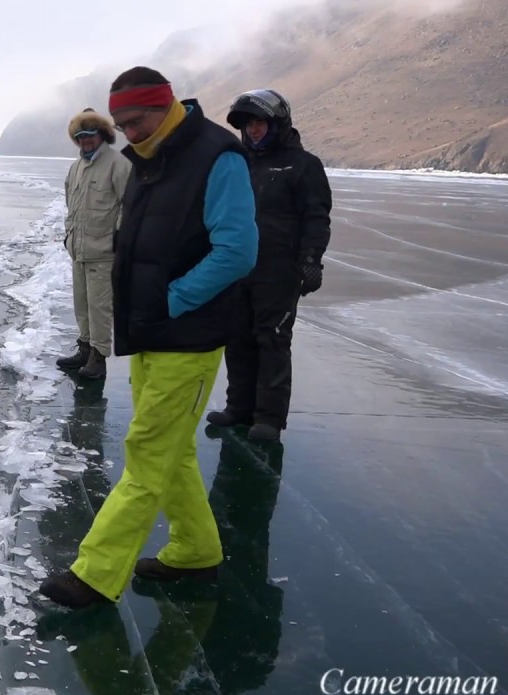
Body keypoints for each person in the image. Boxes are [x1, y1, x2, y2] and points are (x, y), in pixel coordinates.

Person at [38, 66, 259, 608]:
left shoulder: (217, 156)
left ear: (164, 107)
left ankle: (94, 574)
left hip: (190, 334)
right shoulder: (148, 158)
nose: (128, 133)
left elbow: (238, 250)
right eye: (122, 124)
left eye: (135, 122)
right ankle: (196, 551)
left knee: (147, 452)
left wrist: (172, 299)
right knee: (174, 451)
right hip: (151, 330)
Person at [207, 89, 333, 442]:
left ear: (277, 123)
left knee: (273, 340)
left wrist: (311, 261)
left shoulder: (304, 165)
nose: (254, 130)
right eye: (248, 125)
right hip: (237, 268)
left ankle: (269, 418)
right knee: (237, 338)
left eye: (260, 122)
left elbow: (316, 217)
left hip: (278, 270)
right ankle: (239, 408)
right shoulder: (238, 163)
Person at [56, 107, 132, 380]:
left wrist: (118, 236)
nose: (85, 140)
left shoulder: (118, 163)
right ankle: (85, 348)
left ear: (102, 135)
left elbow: (129, 204)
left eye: (90, 134)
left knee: (99, 307)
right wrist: (69, 235)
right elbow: (70, 205)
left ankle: (99, 359)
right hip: (79, 250)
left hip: (103, 251)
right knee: (82, 304)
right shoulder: (76, 168)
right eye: (80, 136)